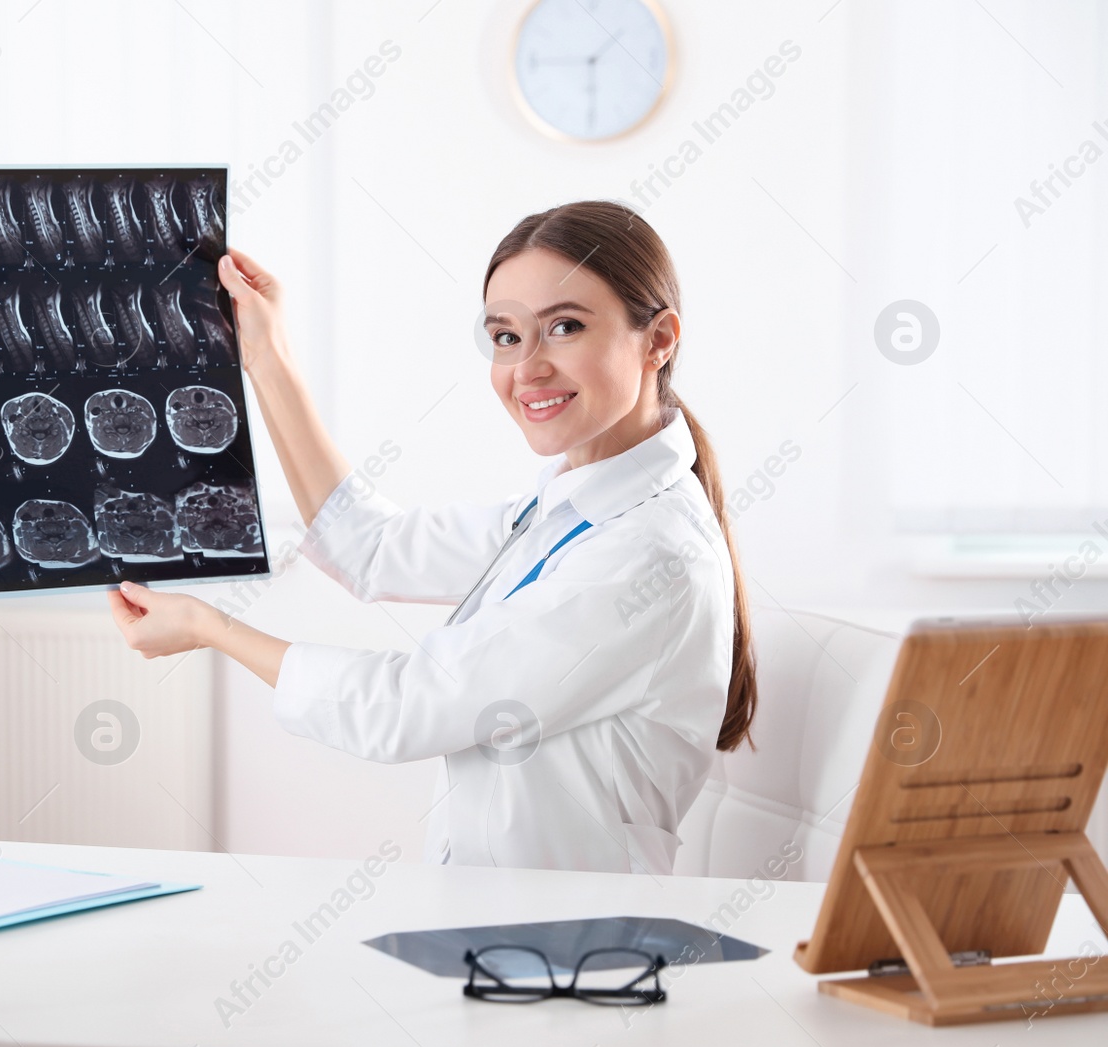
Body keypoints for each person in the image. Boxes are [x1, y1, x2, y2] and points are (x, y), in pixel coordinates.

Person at [107, 201, 756, 874]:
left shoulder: (651, 555)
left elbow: (410, 706)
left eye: (564, 327)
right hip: (502, 925)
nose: (526, 367)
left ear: (658, 340)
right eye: (505, 336)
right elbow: (370, 546)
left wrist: (212, 629)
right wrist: (266, 353)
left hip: (574, 946)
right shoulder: (564, 509)